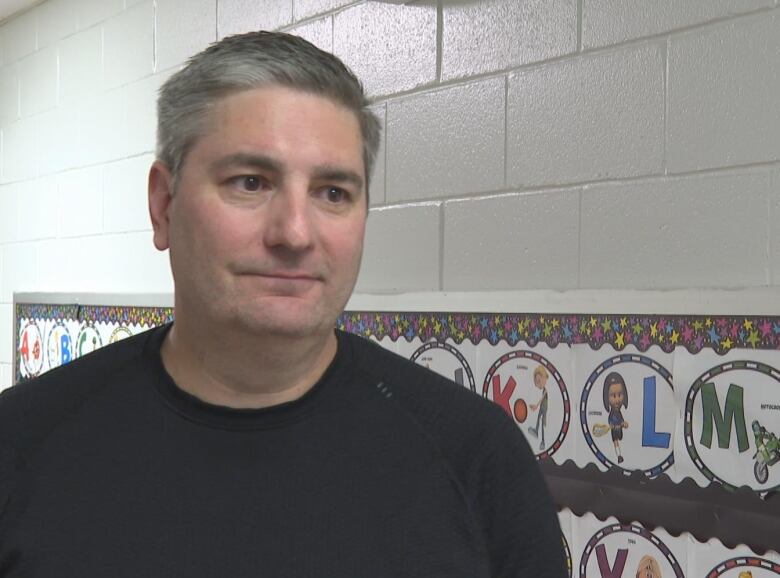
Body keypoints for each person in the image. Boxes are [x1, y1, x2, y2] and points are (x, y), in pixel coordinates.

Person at [0, 31, 566, 577]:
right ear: (164, 204)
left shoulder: (476, 459)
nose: (295, 233)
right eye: (251, 182)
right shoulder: (20, 444)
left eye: (333, 193)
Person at [603, 371, 629, 464]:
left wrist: (623, 424)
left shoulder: (619, 413)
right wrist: (612, 426)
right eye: (613, 396)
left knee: (621, 440)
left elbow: (621, 420)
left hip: (619, 430)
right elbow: (610, 421)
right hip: (614, 431)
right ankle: (619, 456)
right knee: (616, 442)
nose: (617, 399)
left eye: (620, 395)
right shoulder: (611, 414)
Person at [527, 365, 549, 450]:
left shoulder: (545, 391)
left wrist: (536, 406)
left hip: (544, 408)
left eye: (539, 380)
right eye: (536, 381)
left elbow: (541, 400)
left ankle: (543, 441)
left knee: (542, 424)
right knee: (538, 419)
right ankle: (536, 431)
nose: (537, 383)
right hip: (542, 408)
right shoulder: (543, 390)